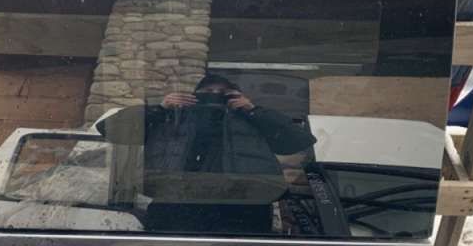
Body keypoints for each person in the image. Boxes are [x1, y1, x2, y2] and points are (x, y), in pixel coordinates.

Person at [102, 74, 316, 234]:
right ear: (194, 96)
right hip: (176, 203)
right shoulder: (173, 117)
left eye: (223, 93)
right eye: (207, 92)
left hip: (243, 206)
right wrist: (160, 108)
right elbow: (110, 130)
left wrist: (252, 110)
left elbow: (299, 141)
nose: (214, 96)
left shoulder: (251, 118)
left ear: (236, 96)